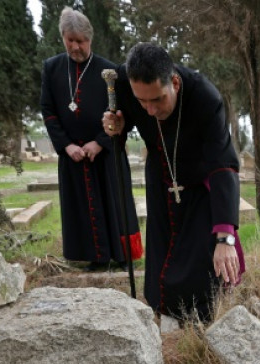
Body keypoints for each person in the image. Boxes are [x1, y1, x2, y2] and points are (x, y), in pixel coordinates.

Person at [103, 43, 244, 322]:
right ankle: (162, 309)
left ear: (175, 83)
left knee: (198, 253)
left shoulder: (206, 97)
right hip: (160, 175)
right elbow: (121, 121)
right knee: (161, 249)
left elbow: (223, 164)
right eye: (143, 102)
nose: (151, 110)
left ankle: (200, 317)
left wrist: (225, 236)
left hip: (198, 178)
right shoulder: (122, 82)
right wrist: (116, 127)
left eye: (157, 100)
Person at [40, 7, 141, 271]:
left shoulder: (109, 71)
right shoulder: (52, 68)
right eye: (70, 40)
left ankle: (121, 257)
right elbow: (49, 112)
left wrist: (100, 142)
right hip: (73, 156)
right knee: (81, 208)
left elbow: (123, 116)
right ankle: (93, 257)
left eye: (80, 41)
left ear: (90, 39)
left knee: (115, 204)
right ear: (63, 37)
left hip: (106, 154)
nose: (75, 46)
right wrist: (67, 145)